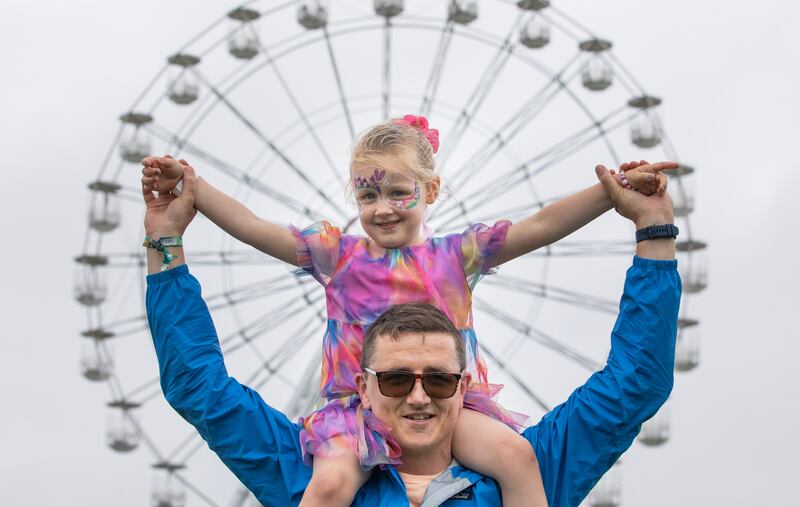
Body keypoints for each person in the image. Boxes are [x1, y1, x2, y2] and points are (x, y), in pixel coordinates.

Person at [142, 115, 673, 507]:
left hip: (465, 426)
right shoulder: (338, 254)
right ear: (368, 380)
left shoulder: (456, 256)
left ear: (462, 382)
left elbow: (540, 226)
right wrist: (190, 202)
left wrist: (621, 201)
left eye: (438, 379)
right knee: (327, 486)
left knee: (517, 458)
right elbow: (253, 233)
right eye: (396, 379)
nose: (384, 208)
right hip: (349, 421)